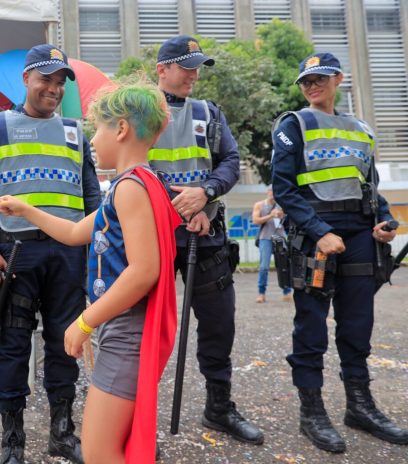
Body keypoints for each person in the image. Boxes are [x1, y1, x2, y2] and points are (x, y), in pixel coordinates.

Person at [0, 80, 179, 464]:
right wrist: (27, 210)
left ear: (121, 129)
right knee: (115, 446)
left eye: (97, 127)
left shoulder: (130, 188)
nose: (92, 139)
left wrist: (84, 322)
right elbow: (77, 232)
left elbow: (144, 271)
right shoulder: (132, 185)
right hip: (123, 327)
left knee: (100, 452)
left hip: (126, 329)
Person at [0, 44, 101, 464]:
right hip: (14, 252)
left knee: (66, 345)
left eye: (60, 83)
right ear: (26, 79)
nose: (54, 89)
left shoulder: (78, 132)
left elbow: (92, 196)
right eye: (46, 79)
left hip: (68, 254)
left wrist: (97, 248)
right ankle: (13, 439)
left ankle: (62, 432)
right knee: (13, 345)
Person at [271, 52, 408, 453]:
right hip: (315, 236)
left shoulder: (361, 129)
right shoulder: (292, 125)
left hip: (359, 236)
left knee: (357, 325)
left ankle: (359, 408)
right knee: (311, 327)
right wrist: (319, 231)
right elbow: (284, 189)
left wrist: (383, 222)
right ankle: (311, 411)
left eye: (319, 79)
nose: (312, 86)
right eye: (305, 81)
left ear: (338, 79)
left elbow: (370, 187)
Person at [150, 35, 264, 444]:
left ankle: (218, 409)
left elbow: (231, 161)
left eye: (198, 67)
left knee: (219, 324)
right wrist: (180, 206)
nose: (194, 75)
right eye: (187, 66)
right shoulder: (141, 109)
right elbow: (128, 166)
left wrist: (207, 194)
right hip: (154, 236)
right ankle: (137, 420)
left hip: (207, 235)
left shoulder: (209, 113)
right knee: (144, 330)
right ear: (163, 69)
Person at [252, 185, 292, 303]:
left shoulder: (282, 206)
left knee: (284, 265)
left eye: (276, 192)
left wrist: (283, 215)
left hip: (280, 237)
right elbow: (255, 220)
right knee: (264, 266)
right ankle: (261, 293)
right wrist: (271, 215)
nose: (273, 194)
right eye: (271, 191)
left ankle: (287, 292)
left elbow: (290, 219)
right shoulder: (259, 205)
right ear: (267, 192)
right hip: (266, 238)